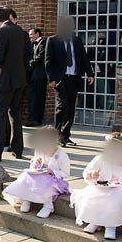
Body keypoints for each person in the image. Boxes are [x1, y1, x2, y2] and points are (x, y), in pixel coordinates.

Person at [0, 6, 27, 161]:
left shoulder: (1, 32)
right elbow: (25, 54)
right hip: (19, 79)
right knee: (15, 113)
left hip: (4, 80)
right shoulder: (19, 31)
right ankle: (17, 148)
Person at [45, 16, 95, 147]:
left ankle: (66, 135)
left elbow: (84, 58)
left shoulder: (77, 41)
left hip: (74, 77)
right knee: (62, 107)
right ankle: (57, 134)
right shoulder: (53, 40)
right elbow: (48, 61)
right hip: (61, 79)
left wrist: (90, 73)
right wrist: (51, 79)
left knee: (71, 108)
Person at [2, 126, 71, 218]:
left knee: (44, 184)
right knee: (26, 177)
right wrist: (36, 165)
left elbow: (65, 173)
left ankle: (48, 205)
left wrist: (52, 171)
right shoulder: (39, 150)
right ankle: (26, 199)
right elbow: (34, 163)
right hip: (39, 174)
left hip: (53, 179)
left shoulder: (61, 155)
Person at [27, 27, 47, 126]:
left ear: (37, 34)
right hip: (33, 75)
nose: (30, 36)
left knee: (39, 97)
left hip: (40, 75)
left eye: (31, 34)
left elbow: (41, 57)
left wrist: (30, 63)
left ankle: (37, 119)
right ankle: (33, 118)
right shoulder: (31, 44)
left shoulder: (43, 42)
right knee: (32, 97)